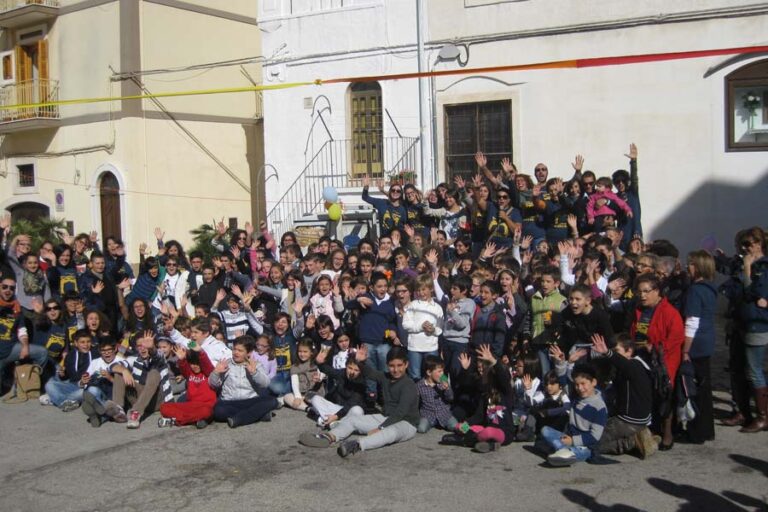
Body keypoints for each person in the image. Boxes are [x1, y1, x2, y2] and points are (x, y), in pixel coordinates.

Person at [298, 346, 419, 458]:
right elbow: (369, 373)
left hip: (406, 423)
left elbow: (401, 412)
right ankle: (329, 437)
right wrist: (359, 362)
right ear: (387, 365)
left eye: (400, 365)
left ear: (406, 364)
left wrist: (381, 428)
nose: (396, 369)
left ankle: (357, 445)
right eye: (392, 366)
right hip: (386, 417)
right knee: (352, 420)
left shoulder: (409, 385)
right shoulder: (385, 377)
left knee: (391, 433)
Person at [630, 273, 684, 450]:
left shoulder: (669, 312)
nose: (642, 295)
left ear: (657, 291)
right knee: (647, 395)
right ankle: (651, 429)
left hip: (664, 361)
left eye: (646, 291)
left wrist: (654, 347)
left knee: (664, 396)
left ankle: (667, 431)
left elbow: (676, 338)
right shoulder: (639, 310)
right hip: (641, 358)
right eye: (640, 291)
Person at [591, 333, 657, 459]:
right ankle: (639, 435)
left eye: (616, 351)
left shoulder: (635, 365)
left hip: (629, 420)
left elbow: (624, 364)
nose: (614, 354)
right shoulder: (623, 367)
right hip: (628, 417)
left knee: (591, 442)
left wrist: (607, 352)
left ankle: (631, 442)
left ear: (629, 351)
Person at [681, 250, 717, 442]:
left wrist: (686, 349)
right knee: (705, 388)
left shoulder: (696, 291)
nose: (689, 267)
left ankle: (698, 431)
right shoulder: (710, 288)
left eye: (692, 264)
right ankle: (707, 429)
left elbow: (692, 321)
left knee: (695, 389)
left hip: (696, 343)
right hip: (707, 340)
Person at [540, 364, 608, 467]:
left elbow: (595, 436)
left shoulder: (600, 407)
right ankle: (562, 451)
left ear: (593, 382)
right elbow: (562, 379)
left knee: (579, 451)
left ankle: (564, 452)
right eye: (577, 384)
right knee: (545, 430)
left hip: (585, 446)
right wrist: (561, 362)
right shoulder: (576, 397)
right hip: (568, 438)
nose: (580, 388)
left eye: (583, 383)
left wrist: (573, 441)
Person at [106, 330, 174, 428]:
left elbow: (157, 356)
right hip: (139, 397)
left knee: (154, 373)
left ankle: (135, 413)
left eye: (145, 345)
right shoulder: (133, 359)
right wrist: (124, 371)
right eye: (139, 346)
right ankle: (118, 410)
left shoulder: (160, 357)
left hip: (157, 401)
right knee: (119, 372)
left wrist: (152, 348)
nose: (143, 349)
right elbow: (111, 366)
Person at [209, 335, 278, 428]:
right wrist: (216, 372)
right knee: (218, 411)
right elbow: (213, 385)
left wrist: (254, 372)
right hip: (230, 402)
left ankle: (239, 419)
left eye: (240, 350)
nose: (235, 353)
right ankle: (258, 415)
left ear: (249, 353)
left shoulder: (255, 364)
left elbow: (265, 384)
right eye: (234, 349)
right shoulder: (226, 364)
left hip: (250, 401)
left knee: (273, 401)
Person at [739, 227, 768, 433]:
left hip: (757, 323)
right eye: (743, 245)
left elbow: (751, 293)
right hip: (747, 320)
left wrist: (747, 269)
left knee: (755, 371)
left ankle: (762, 417)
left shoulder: (761, 267)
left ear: (758, 244)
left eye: (749, 244)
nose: (745, 248)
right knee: (750, 369)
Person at [158, 343, 217, 428]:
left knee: (206, 412)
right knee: (164, 407)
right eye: (192, 364)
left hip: (205, 406)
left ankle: (175, 421)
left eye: (197, 364)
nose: (195, 366)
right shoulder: (189, 373)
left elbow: (206, 363)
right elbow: (183, 367)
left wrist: (201, 352)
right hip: (190, 405)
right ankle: (196, 420)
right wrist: (182, 359)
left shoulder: (208, 373)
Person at [309, 344, 367, 428]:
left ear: (360, 371)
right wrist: (319, 363)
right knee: (315, 398)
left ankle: (328, 421)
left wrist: (336, 416)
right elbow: (329, 370)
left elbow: (352, 404)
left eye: (356, 370)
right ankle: (333, 422)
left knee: (357, 410)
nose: (352, 372)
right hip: (338, 408)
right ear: (346, 366)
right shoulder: (342, 373)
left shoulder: (362, 382)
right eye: (350, 368)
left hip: (350, 410)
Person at [401, 274, 443, 380]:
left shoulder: (437, 308)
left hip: (431, 347)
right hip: (414, 347)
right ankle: (416, 396)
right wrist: (421, 327)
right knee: (415, 375)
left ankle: (436, 394)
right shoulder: (413, 305)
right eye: (418, 290)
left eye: (424, 289)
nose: (421, 293)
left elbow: (440, 328)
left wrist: (433, 329)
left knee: (434, 374)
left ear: (431, 289)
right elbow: (405, 324)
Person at [42, 329, 95, 411]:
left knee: (86, 393)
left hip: (85, 387)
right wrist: (63, 374)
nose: (86, 345)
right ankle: (64, 402)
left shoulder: (95, 354)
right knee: (49, 384)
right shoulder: (70, 356)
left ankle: (55, 400)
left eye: (88, 342)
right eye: (82, 342)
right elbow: (68, 376)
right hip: (72, 385)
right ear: (76, 343)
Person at [416, 356, 458, 433]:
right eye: (439, 371)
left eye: (443, 371)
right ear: (429, 372)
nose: (442, 374)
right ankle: (434, 423)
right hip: (428, 414)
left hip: (444, 413)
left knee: (457, 426)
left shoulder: (443, 379)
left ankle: (470, 429)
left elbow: (451, 398)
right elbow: (416, 402)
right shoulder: (419, 385)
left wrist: (447, 388)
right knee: (421, 428)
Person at [282, 338, 326, 412]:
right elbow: (295, 383)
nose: (302, 354)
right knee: (287, 397)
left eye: (305, 352)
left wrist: (320, 377)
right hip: (302, 393)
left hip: (315, 392)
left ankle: (317, 407)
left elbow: (322, 374)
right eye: (300, 351)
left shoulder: (315, 363)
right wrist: (298, 396)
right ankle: (308, 409)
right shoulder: (294, 367)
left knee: (314, 399)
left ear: (311, 352)